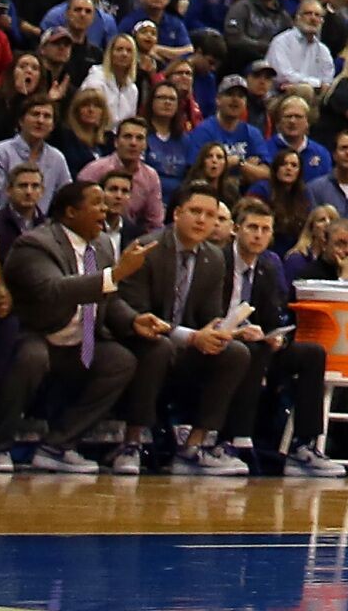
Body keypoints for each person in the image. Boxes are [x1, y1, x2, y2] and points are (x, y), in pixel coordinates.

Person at [0, 179, 159, 473]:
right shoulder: (35, 243)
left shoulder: (103, 243)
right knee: (31, 356)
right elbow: (54, 290)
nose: (105, 209)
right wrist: (117, 273)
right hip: (37, 336)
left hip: (81, 343)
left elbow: (109, 296)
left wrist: (133, 319)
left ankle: (57, 446)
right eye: (96, 203)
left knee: (121, 361)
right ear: (70, 212)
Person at [120, 185, 258, 477]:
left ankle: (194, 447)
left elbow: (209, 317)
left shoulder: (214, 257)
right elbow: (139, 314)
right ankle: (131, 443)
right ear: (177, 213)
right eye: (195, 212)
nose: (202, 221)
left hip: (186, 347)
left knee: (235, 352)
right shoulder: (148, 249)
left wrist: (224, 331)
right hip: (140, 342)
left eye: (210, 215)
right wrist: (192, 336)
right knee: (159, 347)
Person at [226, 196, 345, 475]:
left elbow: (275, 318)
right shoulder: (219, 259)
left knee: (312, 353)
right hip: (224, 342)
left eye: (265, 230)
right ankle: (239, 440)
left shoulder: (269, 266)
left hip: (259, 345)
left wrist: (278, 338)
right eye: (252, 227)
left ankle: (304, 445)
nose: (258, 235)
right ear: (236, 229)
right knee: (250, 350)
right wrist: (236, 332)